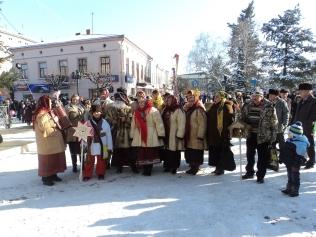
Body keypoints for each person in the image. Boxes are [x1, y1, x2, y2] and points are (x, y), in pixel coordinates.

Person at [240, 88, 278, 183]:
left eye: (257, 96)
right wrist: (241, 126)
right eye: (253, 96)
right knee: (250, 155)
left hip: (263, 136)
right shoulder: (247, 105)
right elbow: (242, 118)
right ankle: (249, 172)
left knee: (262, 157)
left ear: (261, 97)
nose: (255, 98)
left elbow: (274, 122)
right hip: (251, 134)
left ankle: (260, 176)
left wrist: (273, 137)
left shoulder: (269, 106)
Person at [32, 95, 66, 186]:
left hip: (53, 142)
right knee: (47, 161)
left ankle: (53, 174)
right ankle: (46, 177)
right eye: (50, 102)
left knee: (54, 159)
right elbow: (43, 127)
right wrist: (54, 120)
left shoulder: (47, 112)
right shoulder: (41, 114)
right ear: (45, 103)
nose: (51, 104)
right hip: (47, 143)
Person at [130, 91, 165, 176]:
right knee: (142, 152)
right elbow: (133, 125)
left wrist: (161, 134)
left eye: (143, 102)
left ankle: (148, 169)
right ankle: (145, 168)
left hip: (151, 134)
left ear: (146, 102)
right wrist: (131, 135)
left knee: (150, 152)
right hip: (139, 134)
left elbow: (159, 123)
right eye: (139, 102)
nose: (141, 104)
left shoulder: (153, 110)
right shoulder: (136, 112)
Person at [107, 92, 137, 173]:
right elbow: (107, 119)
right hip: (116, 132)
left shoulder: (128, 108)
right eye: (116, 99)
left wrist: (126, 120)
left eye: (119, 99)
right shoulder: (110, 109)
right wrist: (112, 121)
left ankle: (133, 167)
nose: (118, 101)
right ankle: (119, 167)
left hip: (126, 132)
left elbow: (131, 120)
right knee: (117, 152)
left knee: (129, 151)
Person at [206, 91, 234, 175]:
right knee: (215, 151)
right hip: (213, 133)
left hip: (222, 134)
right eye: (214, 97)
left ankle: (221, 168)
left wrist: (227, 133)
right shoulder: (213, 106)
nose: (215, 99)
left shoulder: (226, 106)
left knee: (221, 151)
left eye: (217, 97)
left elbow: (230, 119)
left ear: (222, 98)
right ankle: (217, 167)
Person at [279, 122, 310, 197]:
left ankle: (295, 190)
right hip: (289, 162)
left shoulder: (300, 143)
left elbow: (300, 155)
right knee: (290, 175)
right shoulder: (291, 140)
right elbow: (285, 151)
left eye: (290, 133)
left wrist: (296, 164)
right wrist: (281, 158)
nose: (288, 134)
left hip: (295, 163)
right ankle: (289, 187)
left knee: (295, 176)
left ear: (295, 134)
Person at [83, 104, 113, 181]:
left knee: (102, 160)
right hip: (91, 144)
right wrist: (83, 144)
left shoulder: (105, 122)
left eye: (98, 112)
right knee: (89, 160)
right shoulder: (87, 123)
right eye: (95, 112)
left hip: (103, 145)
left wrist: (109, 147)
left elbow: (109, 135)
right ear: (92, 113)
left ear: (101, 112)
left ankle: (101, 173)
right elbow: (83, 136)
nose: (97, 113)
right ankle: (87, 174)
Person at [183, 89, 207, 175]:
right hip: (189, 134)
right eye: (189, 97)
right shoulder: (187, 107)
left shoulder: (199, 108)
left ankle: (195, 167)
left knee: (196, 152)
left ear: (196, 97)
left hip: (196, 134)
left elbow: (202, 123)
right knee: (190, 151)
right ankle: (192, 166)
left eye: (192, 97)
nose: (190, 99)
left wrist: (200, 135)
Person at [293, 82, 316, 169]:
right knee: (300, 144)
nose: (299, 93)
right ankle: (303, 159)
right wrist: (294, 124)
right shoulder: (301, 101)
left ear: (307, 91)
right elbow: (297, 114)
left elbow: (314, 116)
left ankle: (311, 161)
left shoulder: (313, 101)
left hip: (308, 127)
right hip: (299, 127)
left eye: (301, 91)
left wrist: (307, 125)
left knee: (309, 144)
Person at [161, 95, 186, 174]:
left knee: (175, 151)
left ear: (173, 101)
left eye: (169, 100)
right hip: (166, 133)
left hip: (174, 134)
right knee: (167, 151)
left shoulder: (178, 110)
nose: (167, 102)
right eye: (167, 100)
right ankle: (167, 166)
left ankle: (174, 167)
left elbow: (182, 123)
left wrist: (180, 134)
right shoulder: (165, 109)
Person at [65, 94, 85, 173]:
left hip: (81, 129)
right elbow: (72, 117)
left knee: (82, 149)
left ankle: (82, 165)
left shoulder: (81, 107)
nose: (75, 101)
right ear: (71, 99)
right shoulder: (68, 107)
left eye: (77, 99)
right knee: (73, 149)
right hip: (72, 130)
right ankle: (74, 166)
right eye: (74, 99)